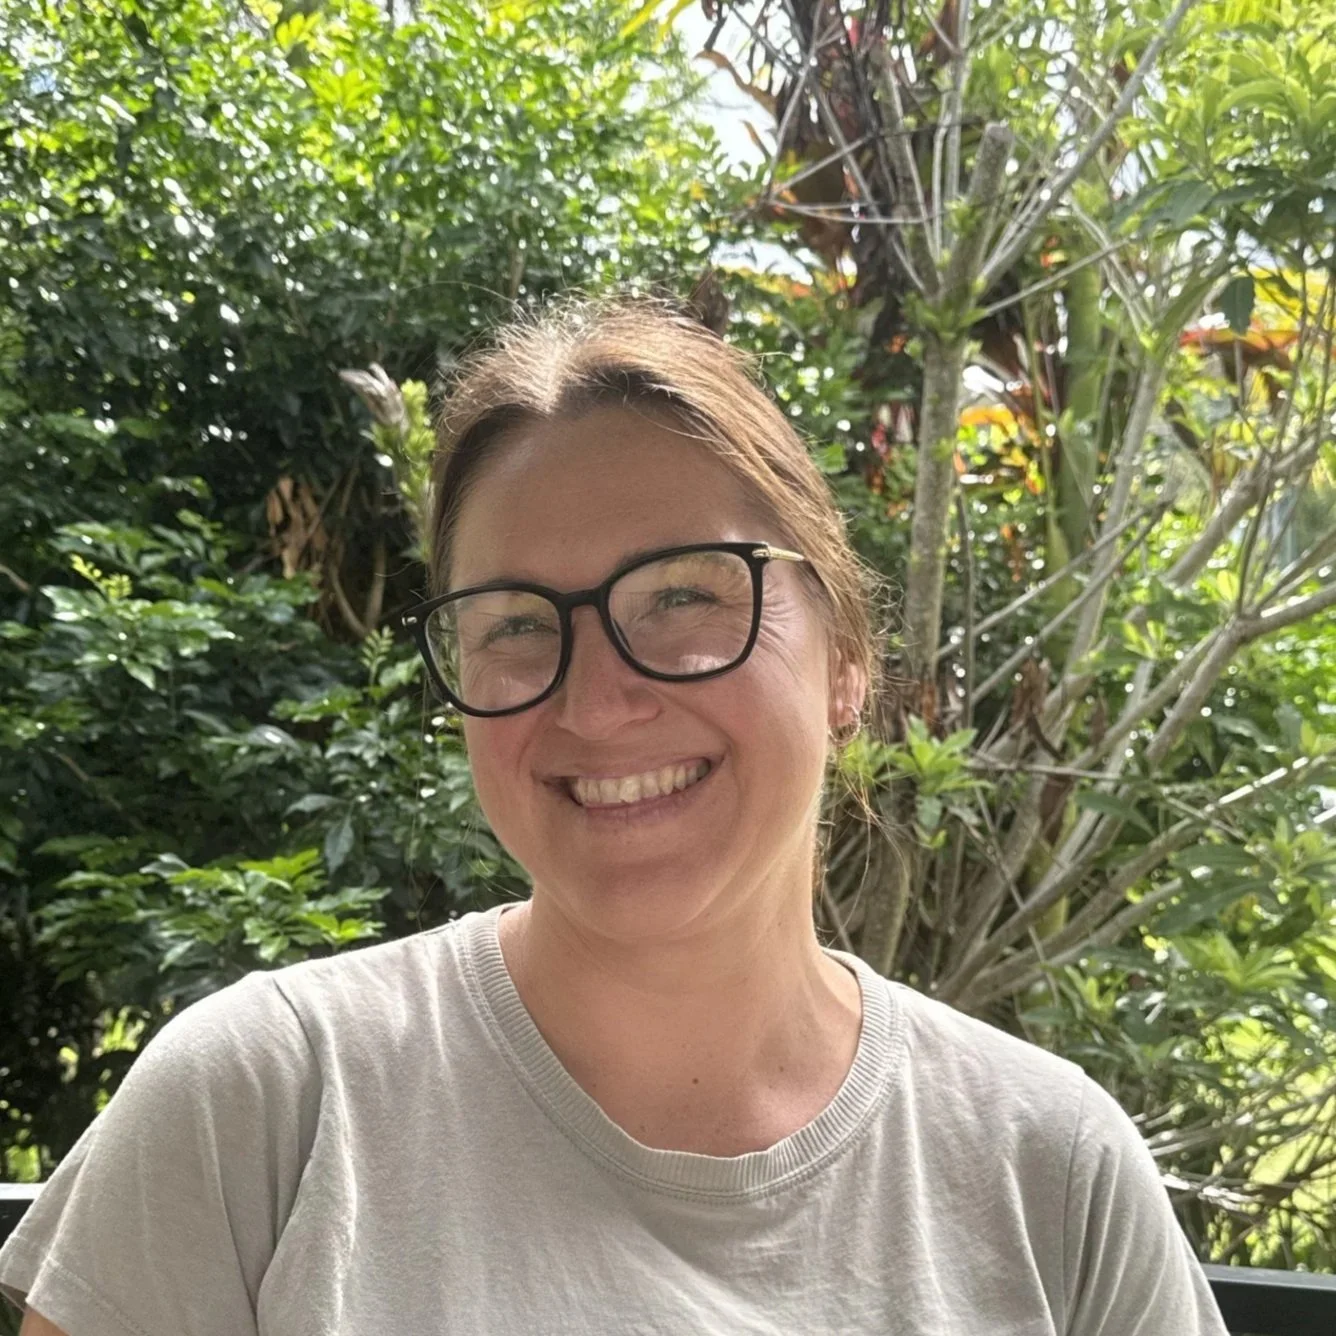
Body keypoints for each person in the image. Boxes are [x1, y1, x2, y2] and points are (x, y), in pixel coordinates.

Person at [1, 293, 1230, 1335]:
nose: (595, 702)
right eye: (515, 624)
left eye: (685, 597)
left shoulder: (1050, 1173)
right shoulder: (266, 1104)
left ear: (845, 658)